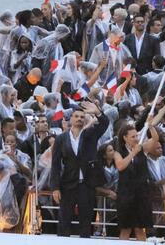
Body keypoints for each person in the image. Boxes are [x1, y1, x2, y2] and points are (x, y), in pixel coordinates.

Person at [51, 101, 109, 238]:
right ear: (71, 119)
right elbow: (55, 165)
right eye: (76, 116)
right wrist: (55, 187)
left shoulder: (91, 135)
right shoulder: (61, 139)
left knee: (86, 222)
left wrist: (98, 112)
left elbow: (104, 123)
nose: (79, 119)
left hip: (86, 185)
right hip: (67, 185)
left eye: (82, 117)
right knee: (64, 222)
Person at [113, 124, 159, 241]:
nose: (136, 138)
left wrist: (151, 126)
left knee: (140, 229)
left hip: (141, 194)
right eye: (133, 136)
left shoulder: (142, 149)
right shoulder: (118, 152)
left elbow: (155, 139)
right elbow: (121, 166)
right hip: (126, 195)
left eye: (137, 135)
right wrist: (133, 153)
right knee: (125, 229)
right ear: (125, 138)